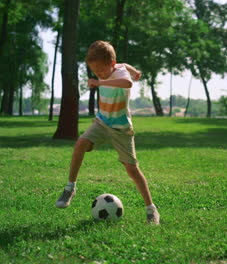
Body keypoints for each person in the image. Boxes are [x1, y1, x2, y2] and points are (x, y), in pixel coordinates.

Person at [56, 40, 160, 225]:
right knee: (80, 143)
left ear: (111, 64)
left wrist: (103, 80)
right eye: (94, 70)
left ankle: (151, 209)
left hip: (121, 129)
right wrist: (134, 70)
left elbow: (127, 82)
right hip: (102, 122)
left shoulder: (118, 73)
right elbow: (124, 64)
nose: (98, 73)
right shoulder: (114, 67)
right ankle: (70, 188)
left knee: (132, 169)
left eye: (101, 70)